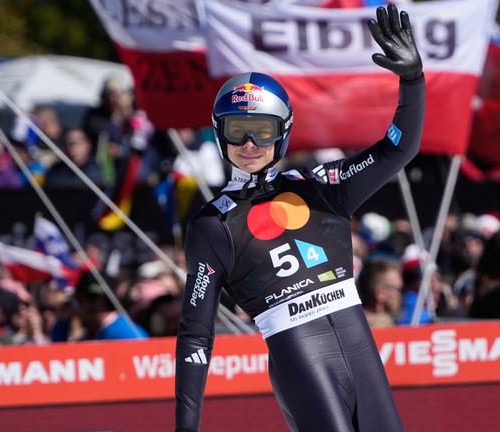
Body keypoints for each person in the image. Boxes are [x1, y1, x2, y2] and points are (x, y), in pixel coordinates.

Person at [175, 5, 423, 432]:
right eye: (237, 130)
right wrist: (186, 426)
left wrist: (413, 82)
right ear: (219, 134)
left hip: (358, 345)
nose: (249, 143)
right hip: (299, 356)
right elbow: (196, 335)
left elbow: (398, 149)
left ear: (284, 132)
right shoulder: (211, 225)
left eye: (263, 130)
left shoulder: (322, 186)